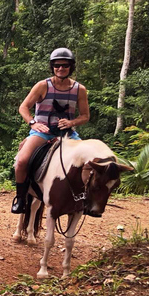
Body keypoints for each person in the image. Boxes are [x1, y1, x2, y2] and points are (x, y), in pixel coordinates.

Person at [10, 48, 89, 214]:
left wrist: (72, 122)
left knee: (88, 162)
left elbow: (85, 116)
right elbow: (23, 107)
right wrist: (33, 123)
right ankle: (20, 198)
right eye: (57, 65)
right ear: (52, 66)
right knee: (21, 161)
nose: (61, 68)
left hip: (68, 134)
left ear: (71, 67)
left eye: (65, 65)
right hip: (43, 132)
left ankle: (85, 197)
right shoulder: (42, 85)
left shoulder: (79, 89)